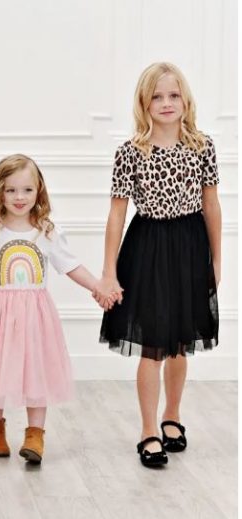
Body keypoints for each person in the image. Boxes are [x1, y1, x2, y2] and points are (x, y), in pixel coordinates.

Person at [0, 154, 114, 464]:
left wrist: (97, 286)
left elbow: (70, 265)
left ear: (39, 191)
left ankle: (35, 434)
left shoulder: (46, 231)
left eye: (27, 190)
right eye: (11, 190)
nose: (19, 197)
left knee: (37, 372)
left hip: (35, 316)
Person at [94, 62, 221, 468]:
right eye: (157, 96)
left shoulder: (202, 146)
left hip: (189, 247)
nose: (166, 103)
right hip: (147, 249)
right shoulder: (130, 152)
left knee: (180, 342)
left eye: (174, 95)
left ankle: (172, 415)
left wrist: (217, 260)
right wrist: (109, 271)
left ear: (185, 100)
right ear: (144, 103)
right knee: (152, 346)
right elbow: (117, 214)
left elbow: (211, 205)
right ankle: (148, 429)